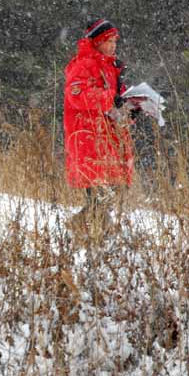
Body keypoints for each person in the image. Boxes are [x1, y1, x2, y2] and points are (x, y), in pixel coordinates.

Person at [63, 18, 135, 233]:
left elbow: (114, 101)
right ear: (96, 41)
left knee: (110, 193)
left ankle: (92, 235)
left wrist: (131, 107)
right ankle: (84, 234)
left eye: (115, 41)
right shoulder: (84, 64)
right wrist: (110, 98)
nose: (113, 45)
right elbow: (77, 96)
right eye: (108, 41)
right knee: (100, 195)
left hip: (108, 138)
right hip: (88, 137)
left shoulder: (110, 66)